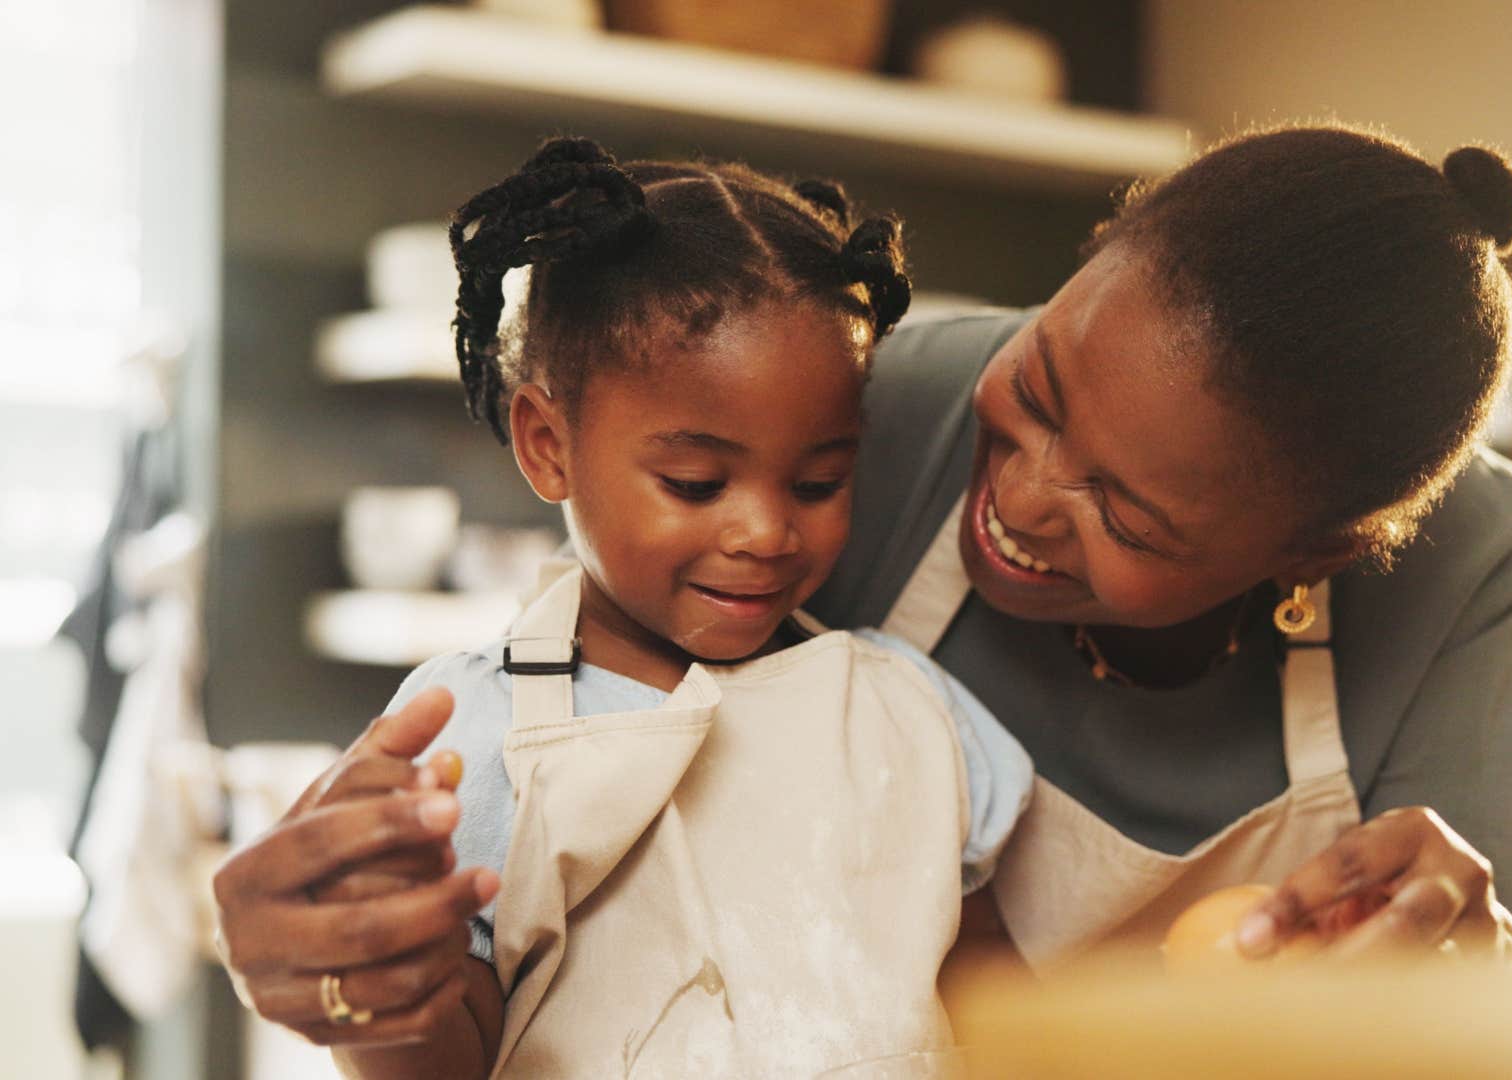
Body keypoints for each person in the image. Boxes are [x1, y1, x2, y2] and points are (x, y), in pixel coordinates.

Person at [216, 118, 1512, 1069]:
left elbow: (980, 1012)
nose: (1025, 499)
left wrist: (1485, 965)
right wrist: (366, 984)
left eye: (1128, 511)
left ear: (1313, 554)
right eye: (1038, 387)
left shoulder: (1463, 575)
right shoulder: (854, 418)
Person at [211, 137, 1032, 1078]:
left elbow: (1007, 1018)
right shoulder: (473, 740)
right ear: (546, 444)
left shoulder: (907, 714)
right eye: (693, 482)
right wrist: (387, 994)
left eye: (818, 482)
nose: (766, 531)